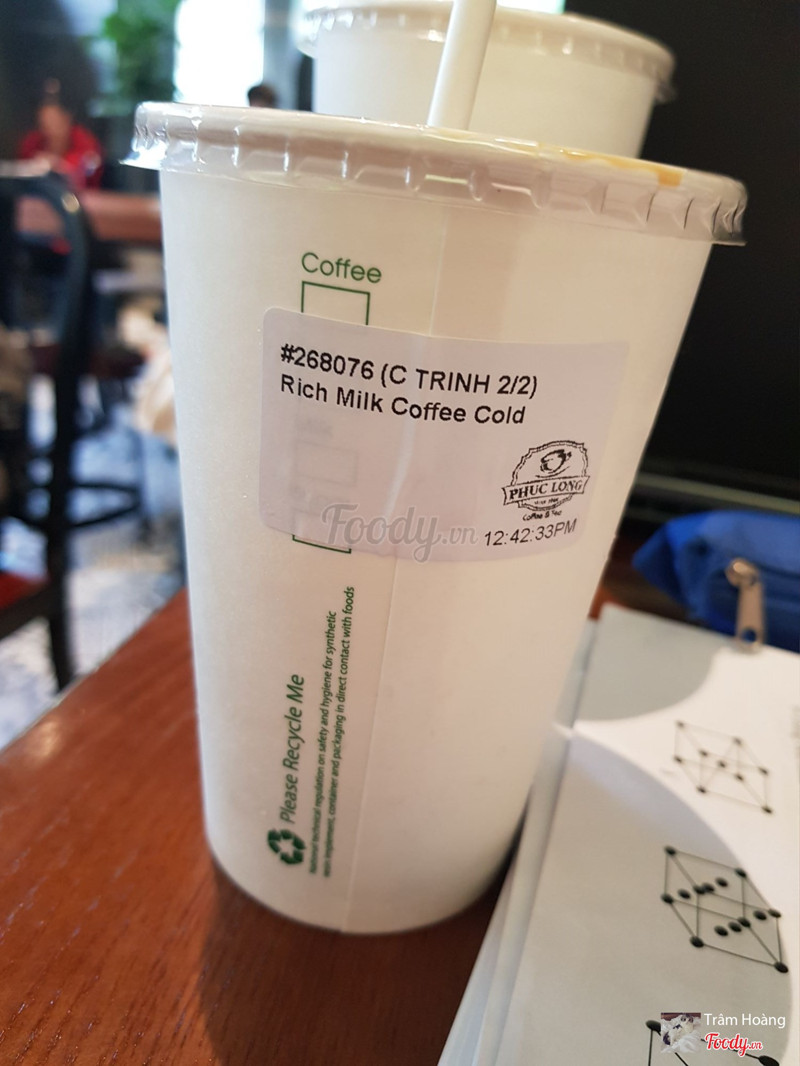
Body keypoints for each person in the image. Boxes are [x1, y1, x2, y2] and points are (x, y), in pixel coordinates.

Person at [18, 82, 103, 190]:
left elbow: (87, 174)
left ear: (67, 118)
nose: (48, 127)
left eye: (54, 120)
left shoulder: (85, 140)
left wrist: (57, 165)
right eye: (43, 122)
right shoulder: (33, 141)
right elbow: (23, 173)